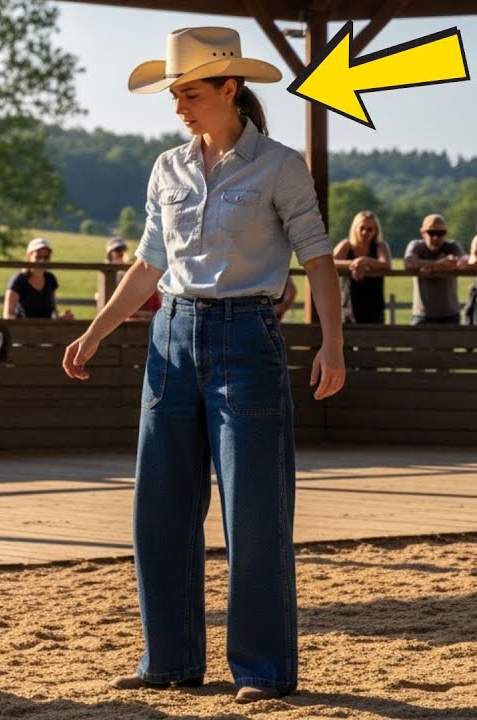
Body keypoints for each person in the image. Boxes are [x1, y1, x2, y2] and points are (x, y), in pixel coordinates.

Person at [62, 27, 344, 704]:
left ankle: (264, 671)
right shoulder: (167, 167)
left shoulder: (279, 164)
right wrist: (98, 332)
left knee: (255, 512)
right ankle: (170, 661)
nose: (179, 104)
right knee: (157, 509)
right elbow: (149, 264)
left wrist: (333, 343)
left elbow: (318, 256)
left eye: (190, 91)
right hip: (169, 341)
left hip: (248, 341)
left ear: (230, 88)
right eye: (174, 92)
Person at [403, 214, 467, 325]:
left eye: (440, 233)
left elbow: (463, 262)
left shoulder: (452, 246)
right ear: (423, 233)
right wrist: (439, 265)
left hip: (449, 315)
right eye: (431, 233)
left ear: (446, 233)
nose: (436, 237)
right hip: (422, 315)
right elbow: (408, 262)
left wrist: (427, 266)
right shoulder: (416, 246)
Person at [332, 210, 390, 324]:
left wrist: (366, 260)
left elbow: (386, 264)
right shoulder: (346, 245)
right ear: (355, 228)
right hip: (349, 304)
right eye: (362, 228)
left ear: (376, 231)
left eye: (370, 229)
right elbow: (330, 263)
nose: (365, 232)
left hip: (373, 305)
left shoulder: (380, 246)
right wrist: (353, 264)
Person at [4, 238, 73, 320]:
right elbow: (8, 315)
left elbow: (53, 312)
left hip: (46, 330)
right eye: (38, 257)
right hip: (23, 330)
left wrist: (62, 318)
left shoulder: (50, 279)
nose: (42, 261)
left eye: (46, 257)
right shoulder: (19, 280)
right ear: (29, 257)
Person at [106, 237, 162, 320]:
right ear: (110, 253)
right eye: (117, 250)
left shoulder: (126, 273)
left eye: (122, 249)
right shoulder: (109, 274)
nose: (120, 253)